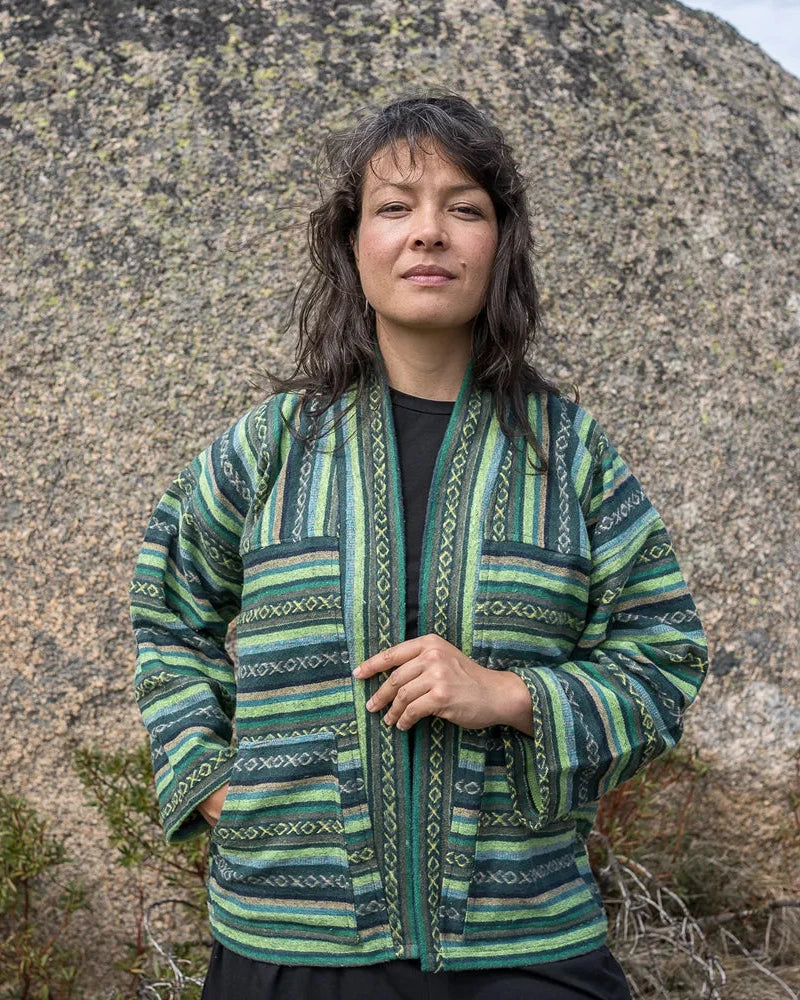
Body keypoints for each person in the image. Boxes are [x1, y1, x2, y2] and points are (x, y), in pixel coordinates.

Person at [130, 92, 708, 999]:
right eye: (395, 206)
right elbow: (167, 611)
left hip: (526, 944)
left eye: (464, 207)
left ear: (499, 246)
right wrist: (209, 779)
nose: (429, 232)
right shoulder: (272, 445)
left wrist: (513, 694)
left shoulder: (570, 454)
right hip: (290, 948)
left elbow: (666, 657)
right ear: (353, 244)